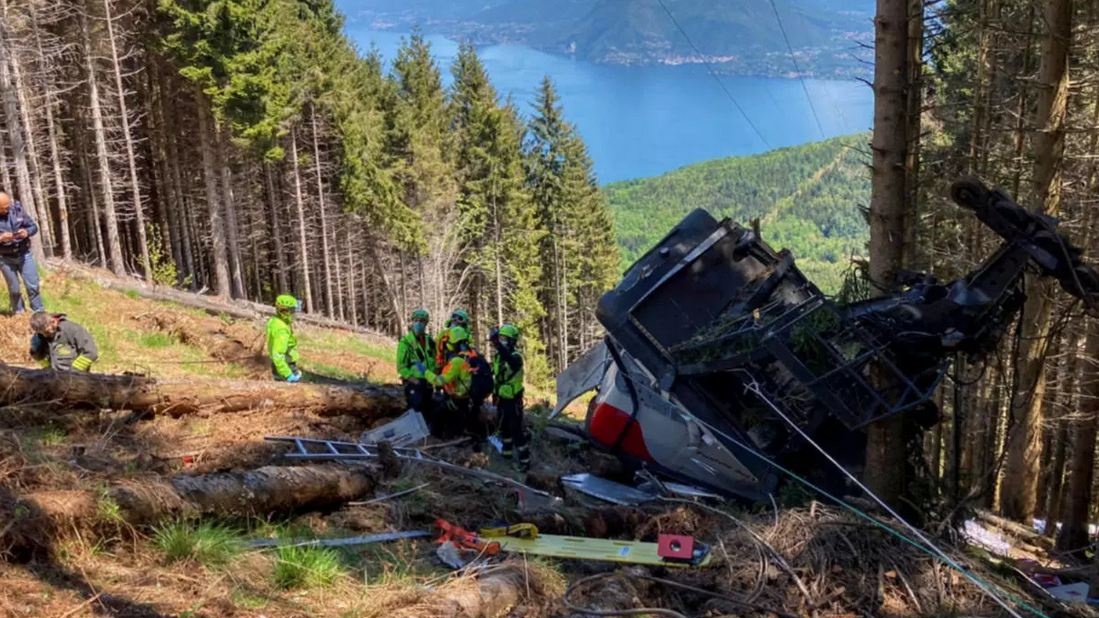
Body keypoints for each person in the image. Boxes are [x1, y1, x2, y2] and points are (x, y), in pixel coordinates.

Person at [427, 325, 488, 450]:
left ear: (451, 344)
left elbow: (439, 381)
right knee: (456, 424)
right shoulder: (469, 357)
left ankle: (442, 442)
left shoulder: (456, 362)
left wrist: (425, 372)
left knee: (438, 416)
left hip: (458, 400)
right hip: (466, 400)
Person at [491, 324, 529, 471]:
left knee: (516, 431)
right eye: (500, 338)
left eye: (504, 339)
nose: (501, 341)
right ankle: (506, 455)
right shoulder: (498, 357)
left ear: (512, 341)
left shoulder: (516, 357)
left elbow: (511, 363)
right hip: (502, 398)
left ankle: (524, 462)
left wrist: (497, 344)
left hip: (513, 401)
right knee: (504, 429)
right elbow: (498, 377)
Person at [0, 192, 43, 314]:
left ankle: (38, 312)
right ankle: (19, 313)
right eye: (4, 208)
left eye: (8, 206)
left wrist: (26, 232)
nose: (7, 210)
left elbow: (33, 227)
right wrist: (1, 238)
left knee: (33, 286)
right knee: (14, 289)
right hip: (4, 258)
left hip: (24, 254)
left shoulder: (17, 210)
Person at [396, 308, 437, 420]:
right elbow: (401, 366)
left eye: (422, 321)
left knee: (427, 410)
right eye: (416, 320)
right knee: (415, 409)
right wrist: (412, 378)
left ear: (426, 323)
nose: (418, 323)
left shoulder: (429, 341)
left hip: (428, 382)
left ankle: (427, 434)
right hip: (414, 382)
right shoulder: (406, 342)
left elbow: (434, 359)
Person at [28, 311, 98, 372]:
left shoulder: (73, 329)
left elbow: (91, 353)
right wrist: (48, 369)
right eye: (42, 333)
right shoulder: (40, 336)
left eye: (47, 332)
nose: (45, 336)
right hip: (54, 378)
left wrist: (73, 371)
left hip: (76, 378)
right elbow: (39, 357)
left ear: (53, 321)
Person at [267, 294, 302, 382]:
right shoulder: (281, 329)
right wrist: (288, 374)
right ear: (286, 311)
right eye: (293, 310)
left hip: (280, 366)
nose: (295, 313)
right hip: (286, 366)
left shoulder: (275, 321)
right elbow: (278, 354)